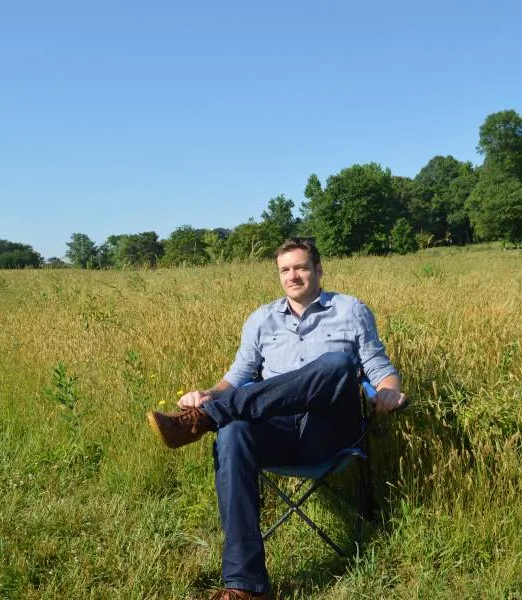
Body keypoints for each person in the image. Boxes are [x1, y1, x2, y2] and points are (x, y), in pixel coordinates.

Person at [147, 238, 407, 600]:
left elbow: (379, 368)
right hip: (277, 429)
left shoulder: (350, 310)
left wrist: (388, 390)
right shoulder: (261, 319)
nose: (293, 276)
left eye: (300, 267)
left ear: (318, 270)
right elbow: (237, 377)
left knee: (338, 364)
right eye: (285, 270)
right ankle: (245, 586)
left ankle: (204, 419)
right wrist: (207, 394)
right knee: (234, 434)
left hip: (328, 429)